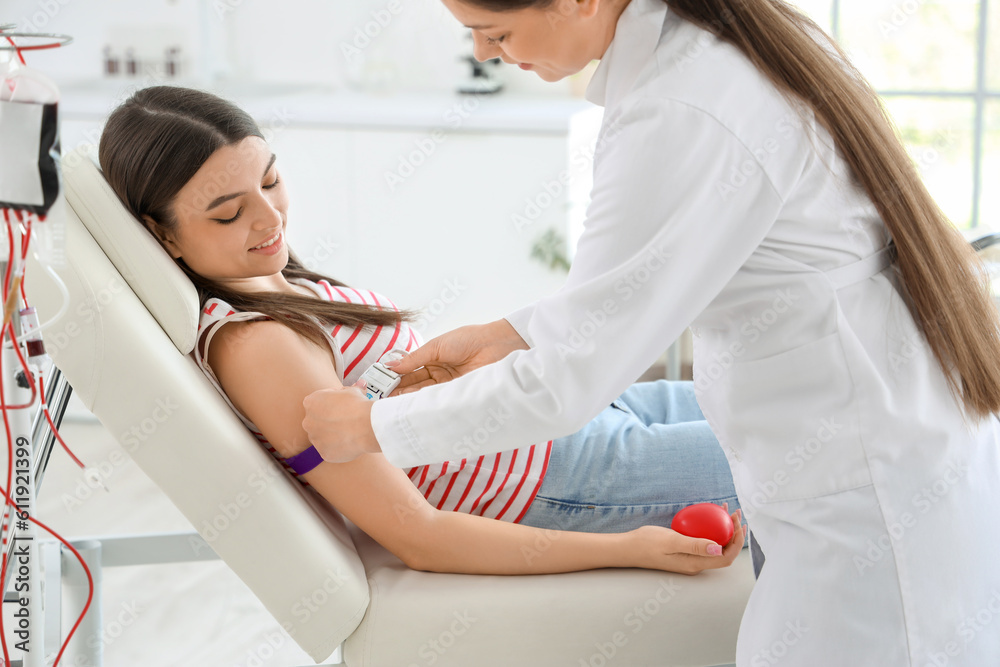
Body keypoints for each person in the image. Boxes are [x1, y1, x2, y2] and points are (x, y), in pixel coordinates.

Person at [299, 0, 1000, 664]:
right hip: (875, 446)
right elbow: (670, 269)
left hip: (866, 490)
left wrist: (372, 426)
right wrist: (512, 331)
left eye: (496, 31)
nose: (483, 52)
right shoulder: (724, 55)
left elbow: (565, 385)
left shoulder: (681, 108)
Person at [97, 85, 745, 579]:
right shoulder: (255, 345)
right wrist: (625, 548)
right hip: (575, 480)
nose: (270, 218)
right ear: (163, 234)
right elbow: (417, 531)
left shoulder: (277, 283)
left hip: (566, 411)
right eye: (229, 213)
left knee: (797, 398)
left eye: (270, 180)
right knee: (815, 446)